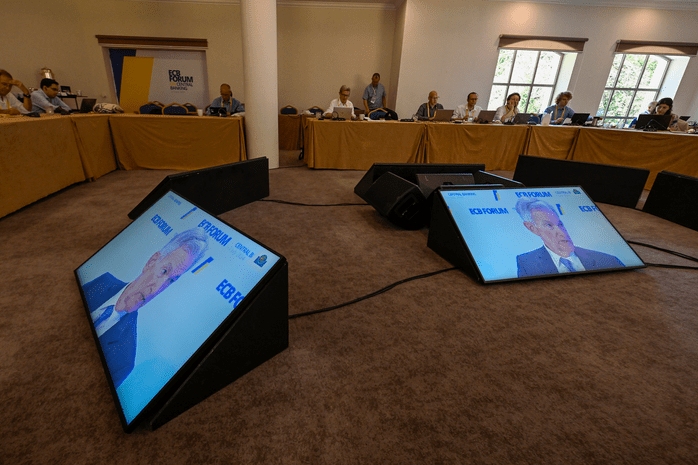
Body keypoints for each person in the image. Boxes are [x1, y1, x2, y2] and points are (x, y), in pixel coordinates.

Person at [82, 228, 208, 387]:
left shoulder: (123, 360)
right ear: (151, 262)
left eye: (171, 280)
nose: (156, 290)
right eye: (164, 271)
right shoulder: (103, 281)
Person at [514, 198, 624, 278]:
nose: (562, 232)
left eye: (560, 224)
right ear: (532, 228)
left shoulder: (609, 261)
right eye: (549, 225)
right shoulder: (527, 263)